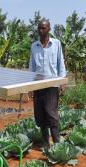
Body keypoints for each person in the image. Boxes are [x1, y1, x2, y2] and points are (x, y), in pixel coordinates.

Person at [29, 19, 66, 148]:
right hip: (38, 85)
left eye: (44, 28)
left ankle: (57, 144)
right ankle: (46, 143)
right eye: (39, 28)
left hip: (51, 85)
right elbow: (32, 67)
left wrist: (62, 82)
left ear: (49, 29)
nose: (41, 30)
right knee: (40, 114)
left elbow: (60, 63)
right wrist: (30, 86)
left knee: (52, 114)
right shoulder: (34, 46)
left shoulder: (56, 44)